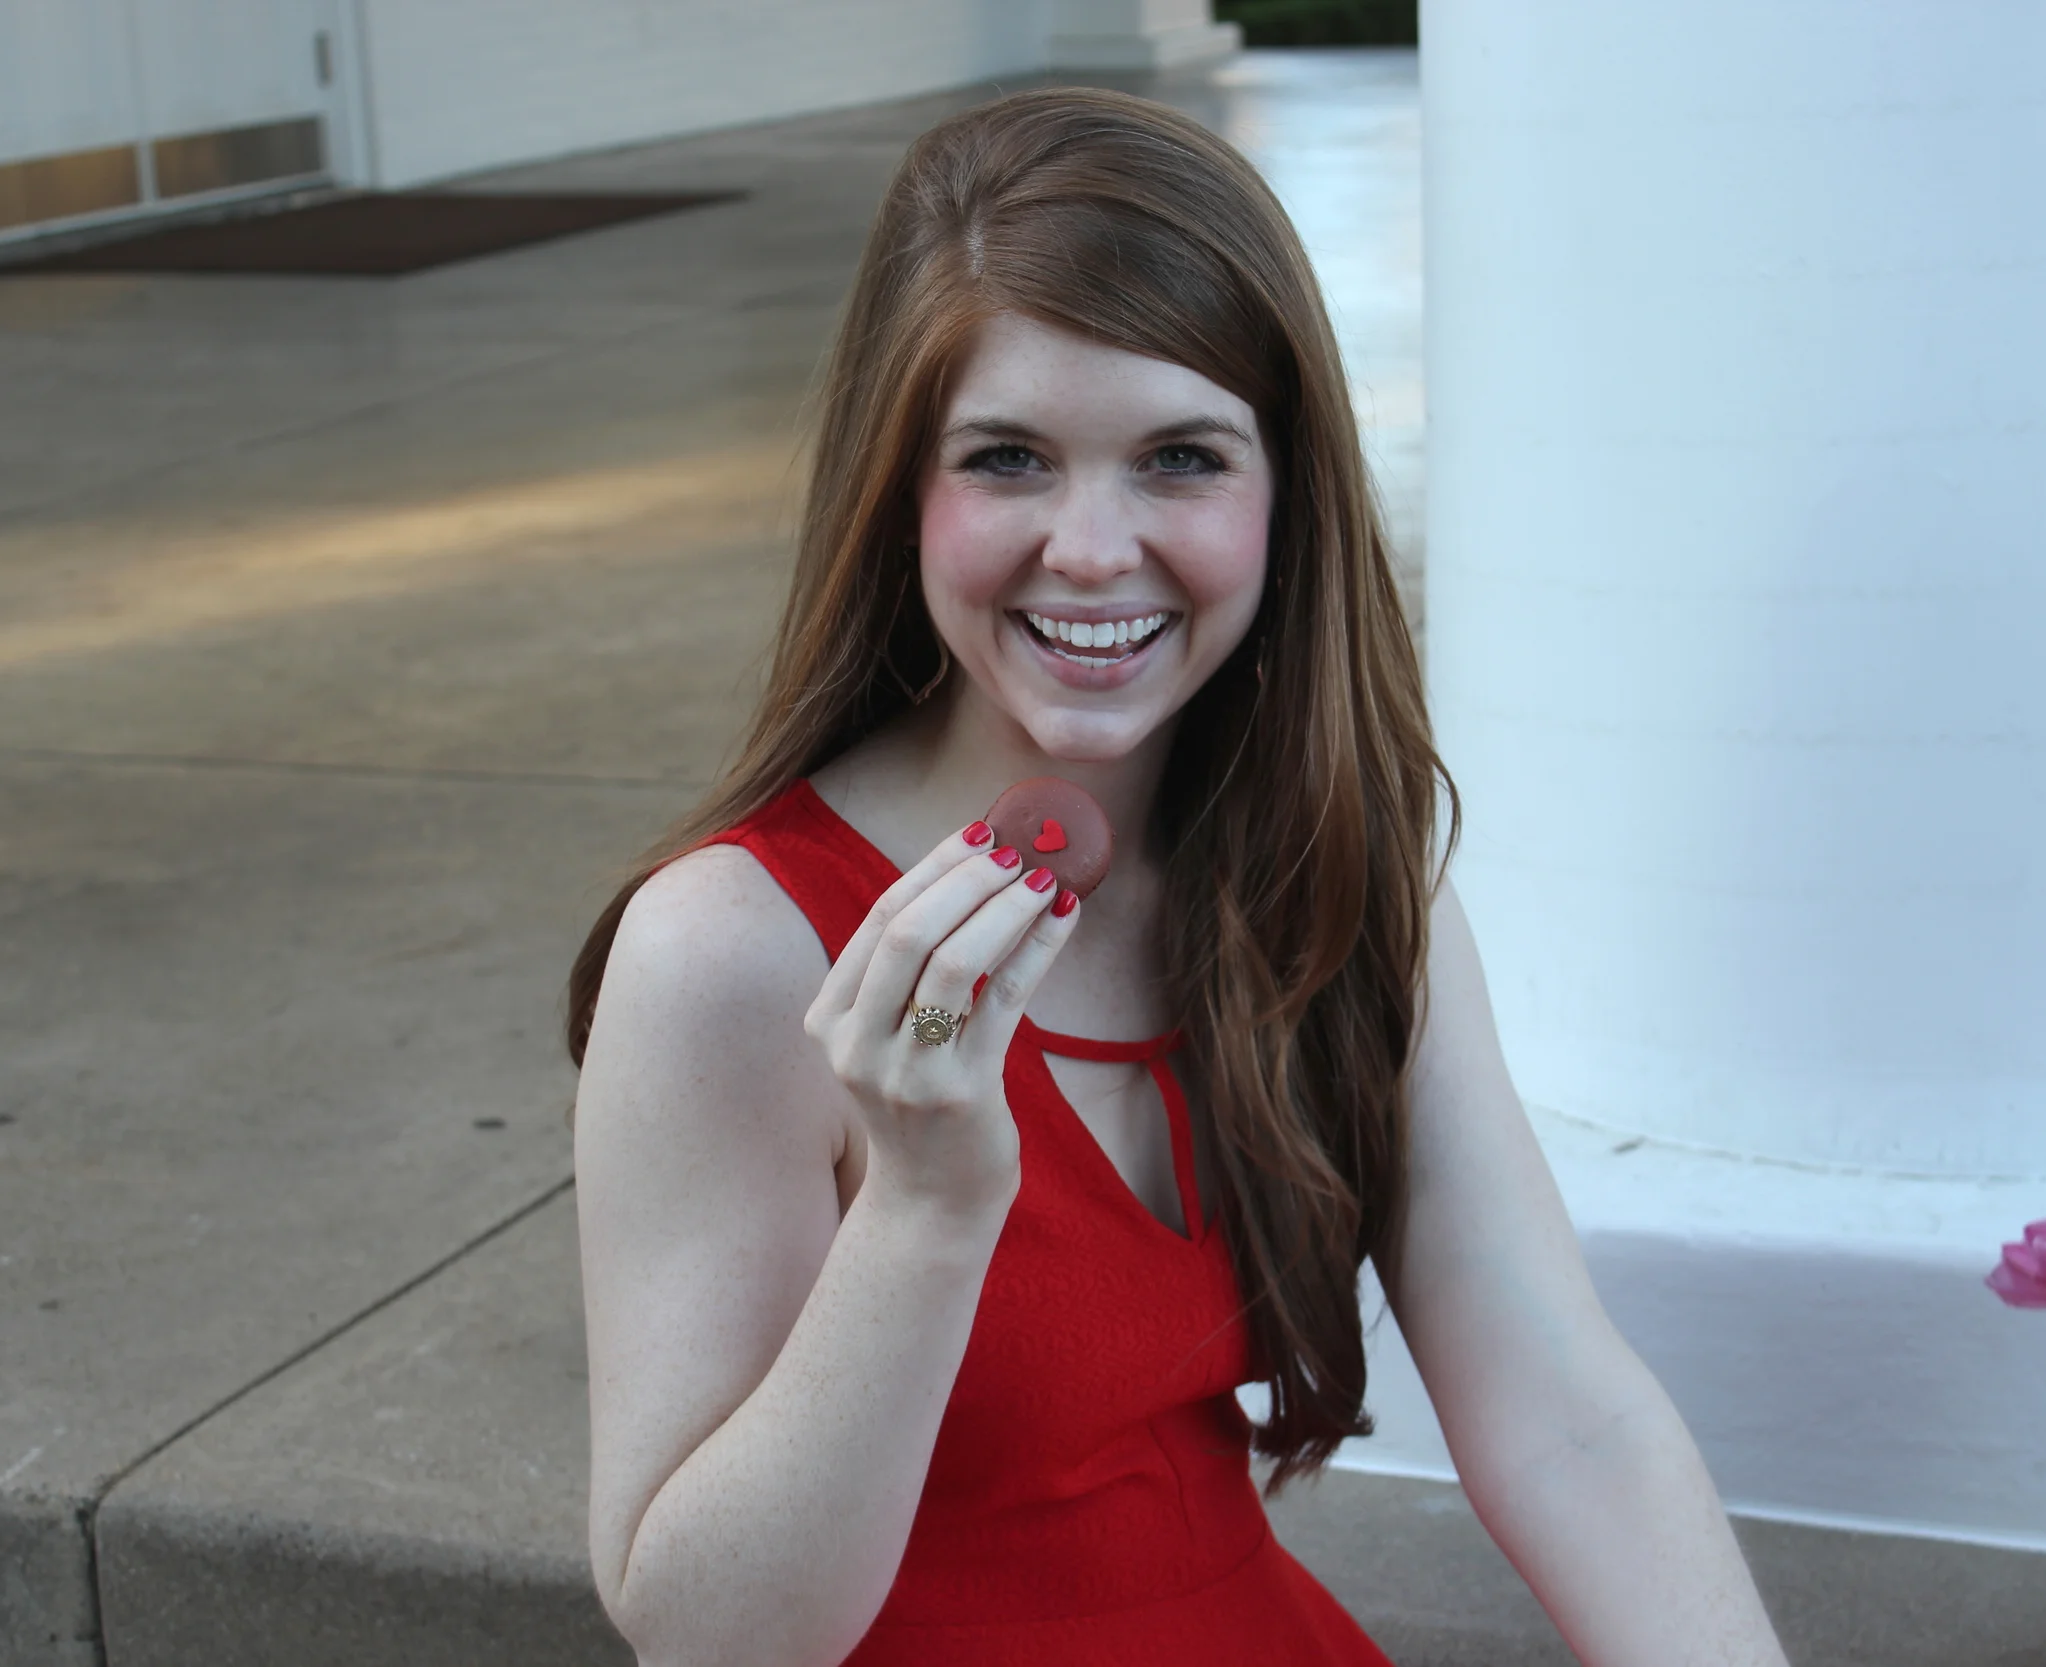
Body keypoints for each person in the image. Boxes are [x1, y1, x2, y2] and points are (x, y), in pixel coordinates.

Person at [566, 86, 1790, 1667]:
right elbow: (710, 1636)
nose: (1090, 546)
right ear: (899, 492)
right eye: (1007, 457)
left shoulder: (1346, 880)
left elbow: (1567, 1416)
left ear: (1285, 492)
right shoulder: (730, 950)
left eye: (1179, 457)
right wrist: (927, 1208)